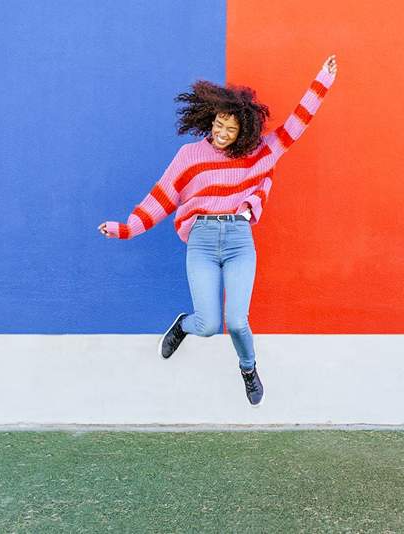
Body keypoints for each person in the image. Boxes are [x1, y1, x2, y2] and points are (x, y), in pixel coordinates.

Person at [98, 55, 338, 406]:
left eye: (231, 130)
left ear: (244, 132)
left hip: (239, 241)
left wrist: (322, 81)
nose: (222, 134)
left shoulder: (258, 154)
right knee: (209, 325)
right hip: (203, 242)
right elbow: (162, 197)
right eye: (219, 125)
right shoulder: (189, 155)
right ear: (211, 119)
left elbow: (295, 126)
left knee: (238, 323)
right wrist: (126, 228)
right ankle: (183, 325)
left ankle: (248, 368)